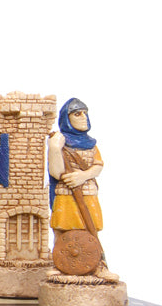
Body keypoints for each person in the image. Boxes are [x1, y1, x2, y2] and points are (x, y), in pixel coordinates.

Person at [48, 97, 118, 281]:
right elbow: (56, 172)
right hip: (66, 193)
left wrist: (82, 176)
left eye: (85, 113)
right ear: (67, 118)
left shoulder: (91, 144)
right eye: (77, 114)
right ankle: (60, 265)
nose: (83, 117)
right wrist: (55, 149)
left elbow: (98, 166)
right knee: (62, 228)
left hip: (87, 192)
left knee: (90, 227)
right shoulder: (60, 141)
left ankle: (98, 265)